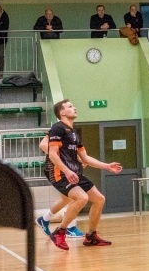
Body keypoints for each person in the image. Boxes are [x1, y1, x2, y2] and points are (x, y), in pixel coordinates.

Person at [44, 99, 122, 250]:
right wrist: (67, 170)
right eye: (70, 106)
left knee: (99, 199)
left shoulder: (74, 132)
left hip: (75, 173)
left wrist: (107, 166)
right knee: (82, 198)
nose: (74, 108)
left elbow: (85, 158)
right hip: (61, 173)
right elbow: (53, 154)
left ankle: (91, 236)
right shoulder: (57, 128)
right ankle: (60, 232)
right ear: (62, 112)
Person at [35, 135, 85, 239]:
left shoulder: (71, 134)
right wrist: (64, 157)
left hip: (66, 170)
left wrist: (78, 160)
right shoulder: (58, 130)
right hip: (57, 171)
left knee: (66, 199)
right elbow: (43, 145)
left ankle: (44, 219)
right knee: (75, 197)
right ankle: (70, 228)